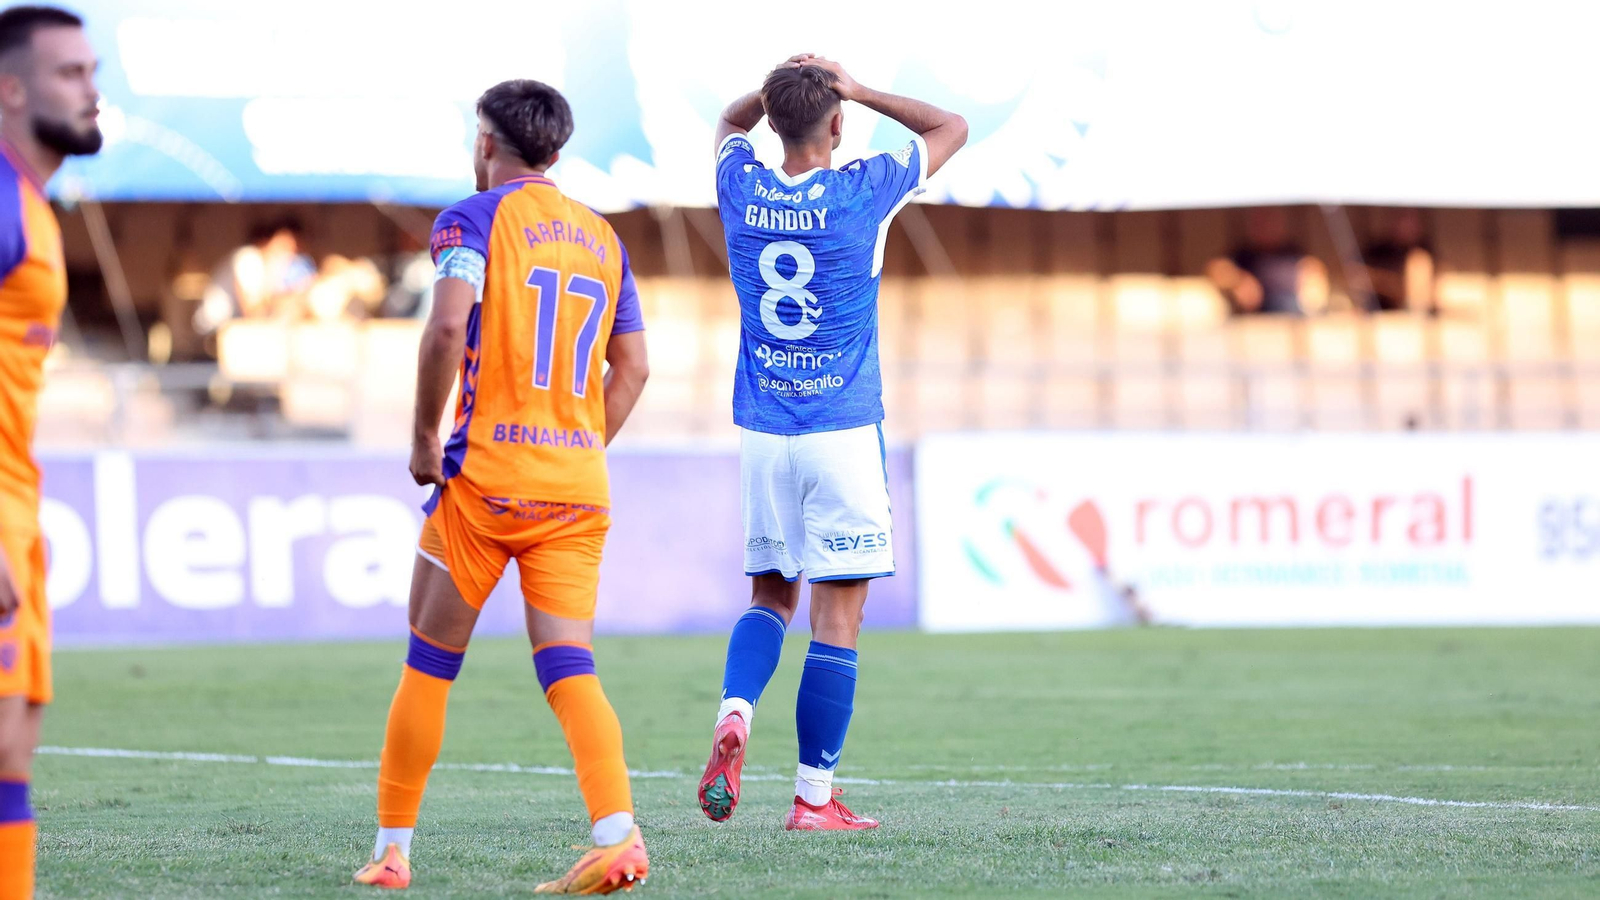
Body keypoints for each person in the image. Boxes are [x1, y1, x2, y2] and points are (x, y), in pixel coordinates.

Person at [351, 78, 650, 894]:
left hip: (484, 485)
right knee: (570, 668)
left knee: (428, 662)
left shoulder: (472, 220)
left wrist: (423, 438)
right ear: (555, 148)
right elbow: (634, 367)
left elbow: (448, 324)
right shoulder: (603, 238)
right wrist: (576, 446)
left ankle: (392, 853)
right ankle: (618, 834)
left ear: (487, 142)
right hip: (576, 488)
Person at [700, 54, 965, 831]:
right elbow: (952, 127)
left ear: (773, 121)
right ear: (840, 124)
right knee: (838, 619)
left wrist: (777, 90)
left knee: (769, 597)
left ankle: (736, 709)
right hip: (841, 429)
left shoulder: (740, 184)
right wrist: (855, 87)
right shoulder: (862, 190)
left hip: (764, 432)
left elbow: (729, 122)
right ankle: (813, 800)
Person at [0, 6, 102, 898]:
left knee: (13, 745)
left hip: (18, 506)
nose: (91, 90)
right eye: (70, 73)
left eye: (92, 71)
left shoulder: (34, 208)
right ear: (10, 88)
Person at [1207, 207, 1329, 315]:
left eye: (1271, 222)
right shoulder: (1244, 254)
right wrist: (1238, 280)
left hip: (1294, 311)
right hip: (1259, 314)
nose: (1267, 226)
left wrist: (1313, 276)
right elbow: (1216, 268)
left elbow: (1312, 268)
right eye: (1260, 223)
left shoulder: (1292, 251)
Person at [1363, 208, 1434, 313]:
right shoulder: (1379, 251)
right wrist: (1393, 285)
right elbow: (1361, 276)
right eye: (1404, 219)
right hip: (1384, 311)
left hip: (1415, 311)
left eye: (1412, 221)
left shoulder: (1424, 250)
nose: (1409, 226)